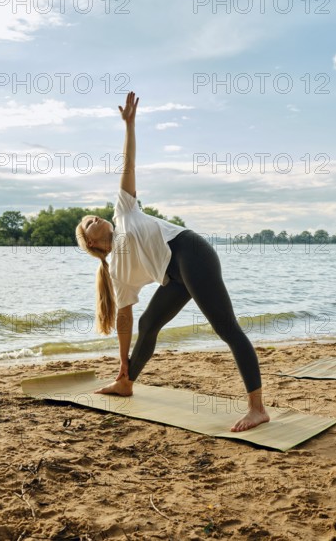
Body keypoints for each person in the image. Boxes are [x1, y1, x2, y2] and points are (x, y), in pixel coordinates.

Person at [75, 91, 270, 432]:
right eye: (89, 222)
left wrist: (129, 126)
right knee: (148, 325)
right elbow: (124, 316)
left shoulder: (123, 212)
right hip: (174, 276)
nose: (95, 217)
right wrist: (123, 362)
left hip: (190, 253)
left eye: (94, 216)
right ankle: (126, 382)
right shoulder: (115, 271)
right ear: (91, 242)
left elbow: (129, 164)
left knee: (226, 328)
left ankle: (257, 407)